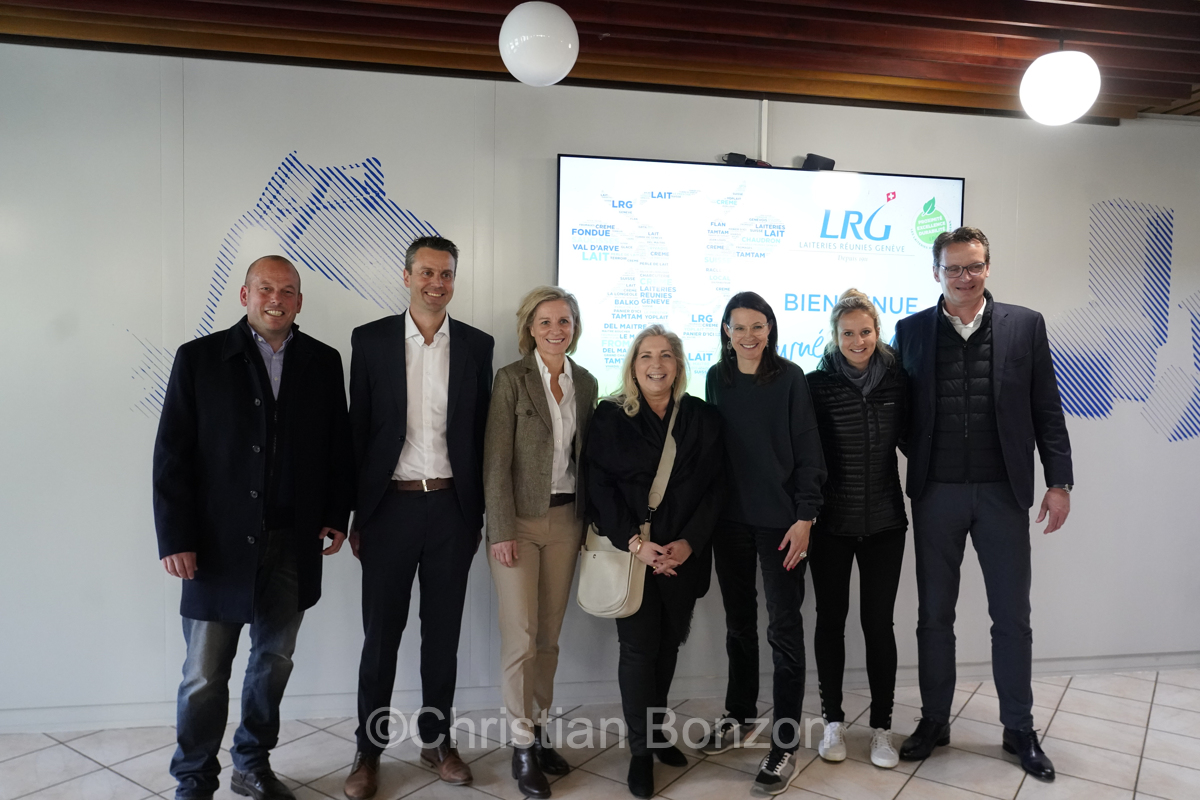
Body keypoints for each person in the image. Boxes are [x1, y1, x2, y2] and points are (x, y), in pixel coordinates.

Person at [153, 255, 354, 800]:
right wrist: (176, 538)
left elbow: (338, 446)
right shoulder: (199, 359)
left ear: (300, 301)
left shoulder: (322, 361)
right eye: (266, 288)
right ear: (244, 295)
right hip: (215, 547)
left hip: (293, 544)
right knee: (203, 675)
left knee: (273, 662)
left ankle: (251, 763)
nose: (277, 299)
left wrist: (339, 514)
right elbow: (173, 454)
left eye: (288, 291)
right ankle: (193, 778)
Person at [894, 226, 1073, 782]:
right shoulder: (911, 331)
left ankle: (1018, 727)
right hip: (937, 496)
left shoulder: (1025, 326)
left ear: (988, 267)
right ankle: (935, 720)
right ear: (936, 273)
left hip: (1003, 495)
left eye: (974, 266)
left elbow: (1047, 406)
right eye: (954, 268)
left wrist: (1059, 481)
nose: (965, 277)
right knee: (933, 618)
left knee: (1012, 619)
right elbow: (901, 415)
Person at [343, 236, 495, 799]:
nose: (438, 283)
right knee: (380, 637)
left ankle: (437, 740)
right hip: (389, 511)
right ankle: (368, 749)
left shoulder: (478, 346)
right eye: (428, 272)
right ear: (406, 276)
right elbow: (356, 433)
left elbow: (480, 437)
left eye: (448, 274)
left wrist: (476, 514)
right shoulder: (372, 340)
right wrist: (355, 516)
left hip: (452, 510)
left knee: (443, 637)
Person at [584, 325, 723, 799]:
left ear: (679, 365)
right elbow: (597, 487)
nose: (656, 364)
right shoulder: (609, 415)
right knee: (640, 651)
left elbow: (716, 488)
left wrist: (688, 543)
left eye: (666, 356)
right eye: (646, 356)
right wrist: (636, 544)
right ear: (633, 364)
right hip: (633, 555)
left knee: (667, 648)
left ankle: (658, 730)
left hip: (683, 557)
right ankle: (640, 752)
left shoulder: (703, 417)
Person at [698, 292, 826, 796]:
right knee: (738, 625)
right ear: (726, 331)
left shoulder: (790, 377)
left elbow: (810, 451)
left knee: (785, 631)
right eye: (738, 327)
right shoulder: (716, 378)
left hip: (781, 525)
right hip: (729, 521)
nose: (748, 336)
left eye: (758, 326)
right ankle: (739, 713)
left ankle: (785, 741)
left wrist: (805, 517)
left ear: (770, 329)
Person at [482, 286, 598, 798]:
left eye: (565, 321)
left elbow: (586, 459)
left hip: (568, 521)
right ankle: (521, 742)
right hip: (520, 525)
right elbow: (494, 462)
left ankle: (541, 727)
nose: (556, 330)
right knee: (521, 636)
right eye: (546, 322)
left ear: (575, 327)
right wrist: (501, 529)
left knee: (549, 636)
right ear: (530, 327)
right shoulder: (511, 379)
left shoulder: (588, 383)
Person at [805, 288, 909, 770]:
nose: (858, 340)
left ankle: (883, 728)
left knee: (878, 625)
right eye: (848, 333)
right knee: (830, 622)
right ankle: (832, 722)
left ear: (877, 332)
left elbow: (917, 439)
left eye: (865, 331)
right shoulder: (815, 384)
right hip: (832, 524)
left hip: (886, 522)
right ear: (835, 336)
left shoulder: (898, 379)